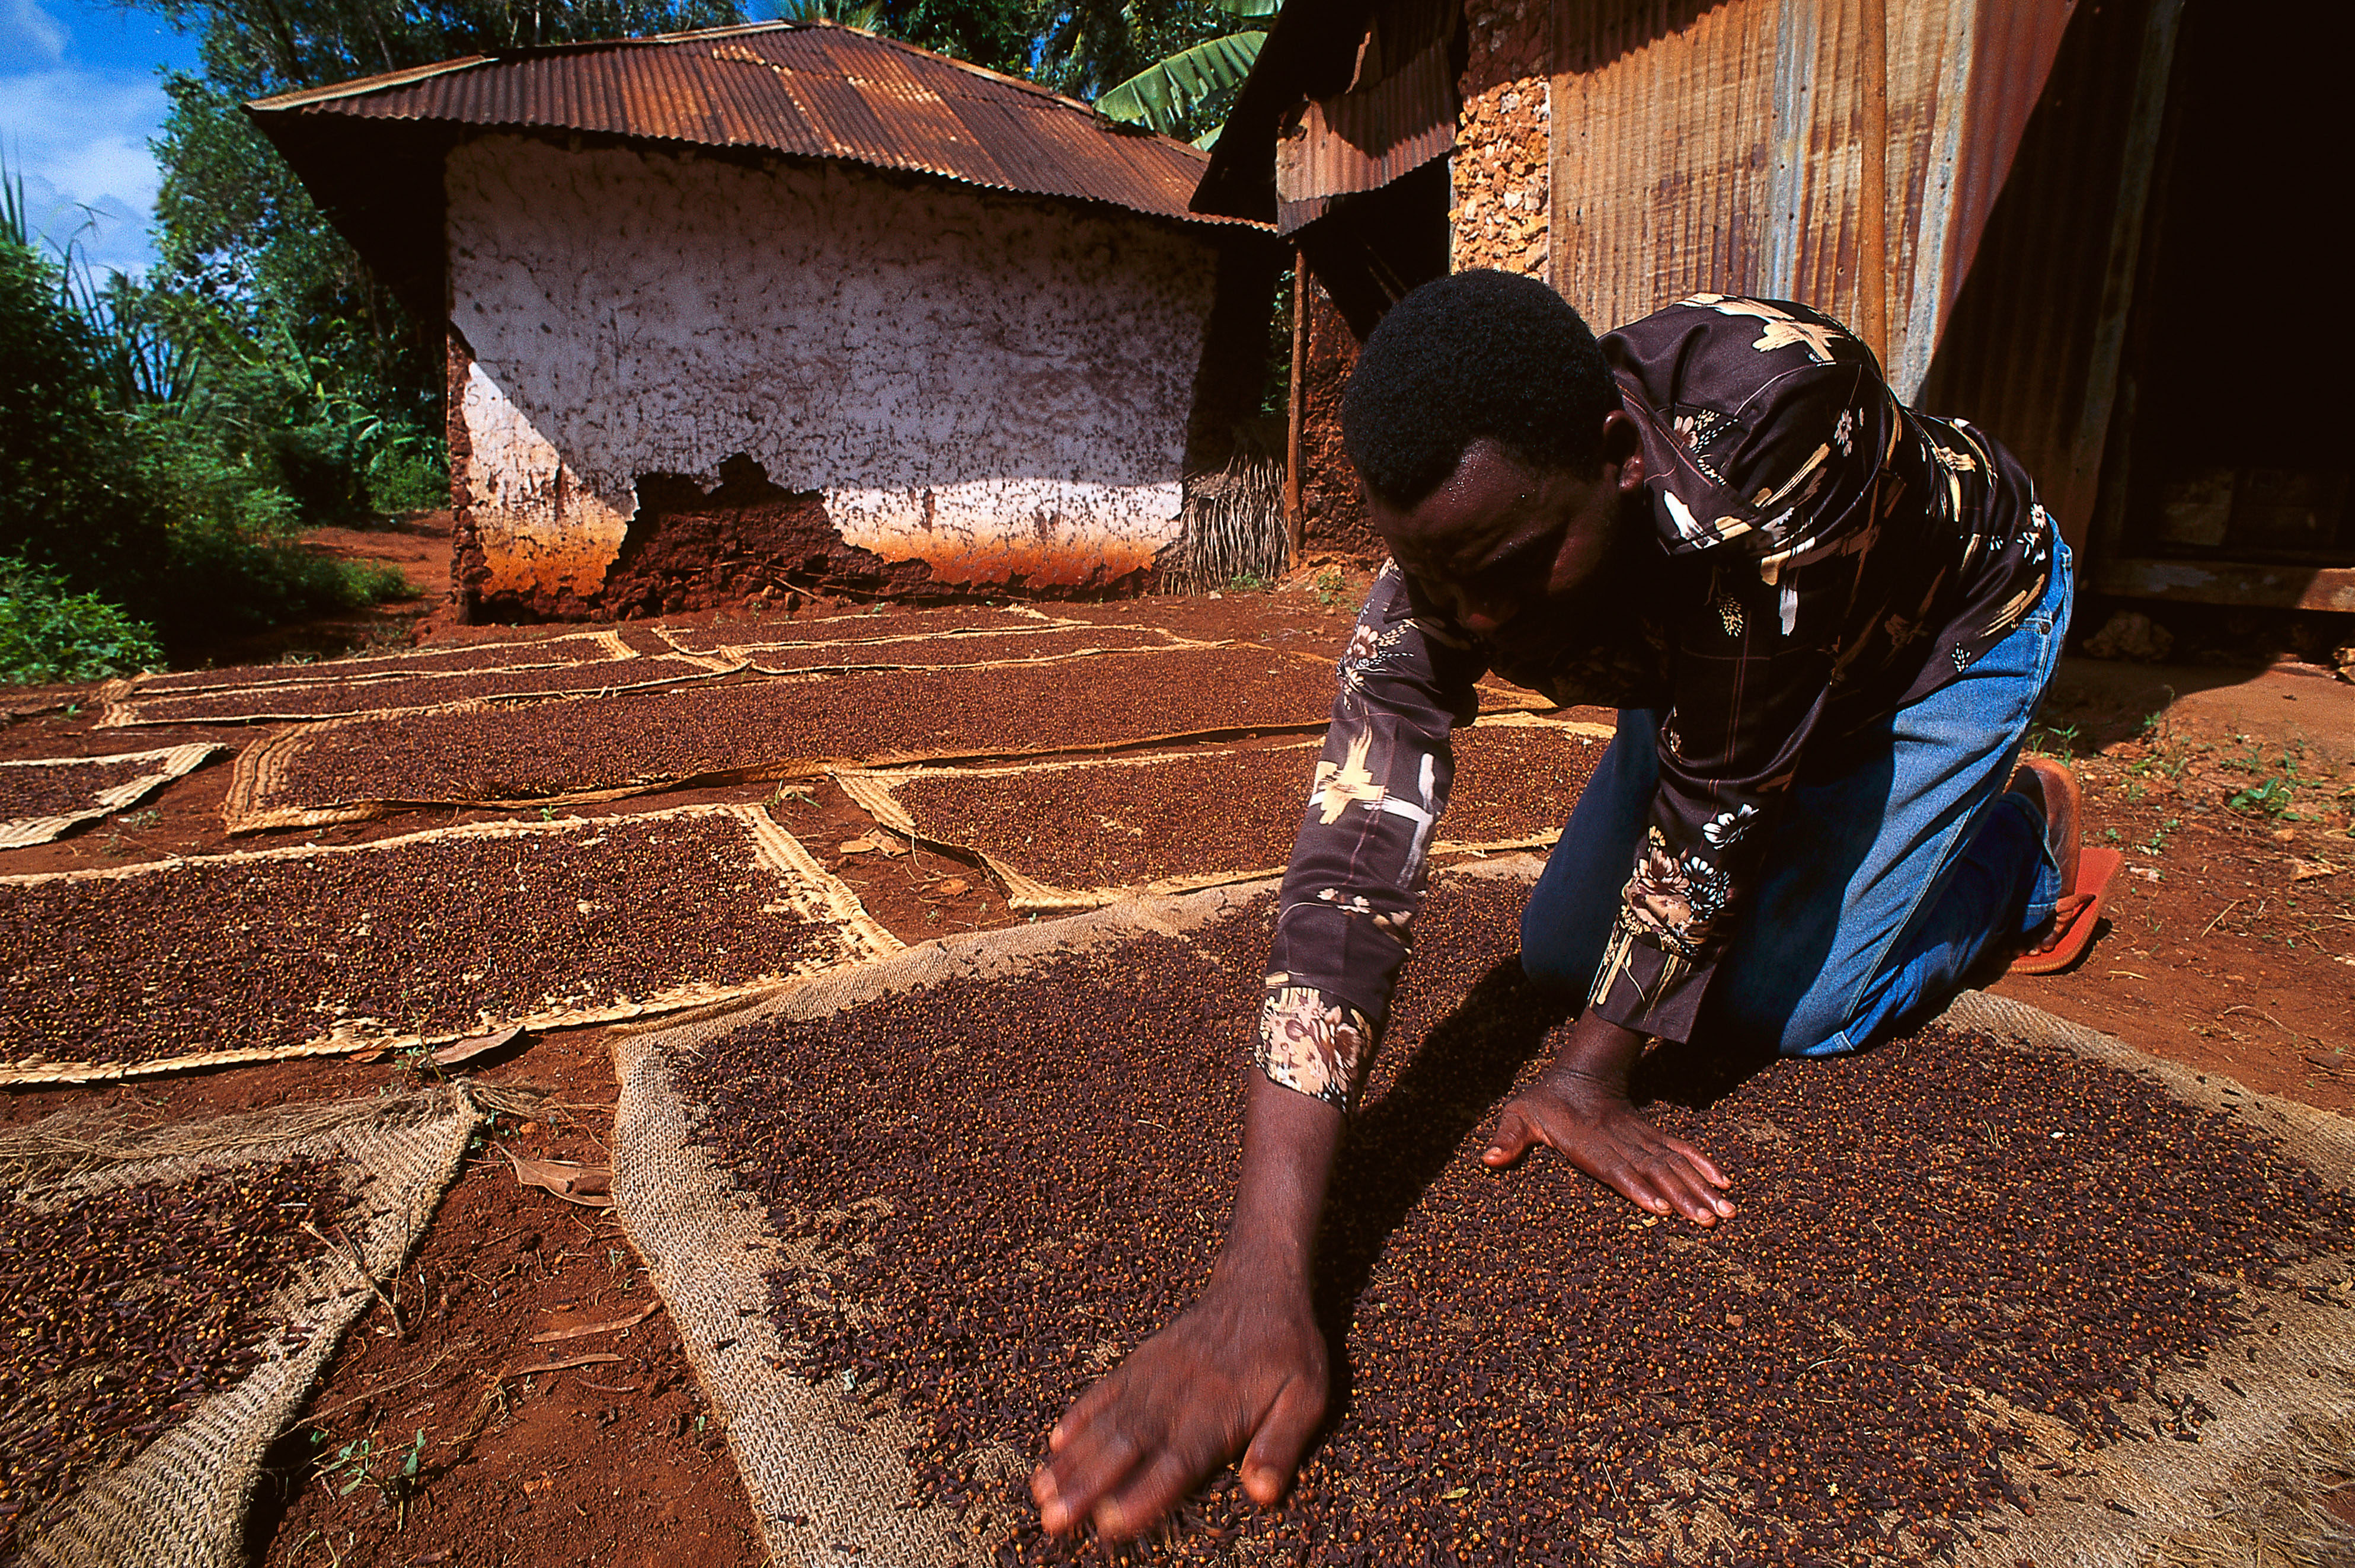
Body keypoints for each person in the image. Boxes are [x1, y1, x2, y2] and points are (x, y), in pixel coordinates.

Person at [1030, 269, 2100, 1541]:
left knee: (1786, 1004)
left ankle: (2018, 847)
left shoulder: (1781, 419)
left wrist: (1592, 1078)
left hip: (1940, 634)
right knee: (1558, 951)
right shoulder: (1456, 561)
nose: (1476, 618)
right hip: (1701, 652)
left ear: (1616, 457)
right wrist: (1260, 1275)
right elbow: (1350, 866)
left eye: (1514, 565)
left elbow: (1723, 801)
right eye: (1437, 581)